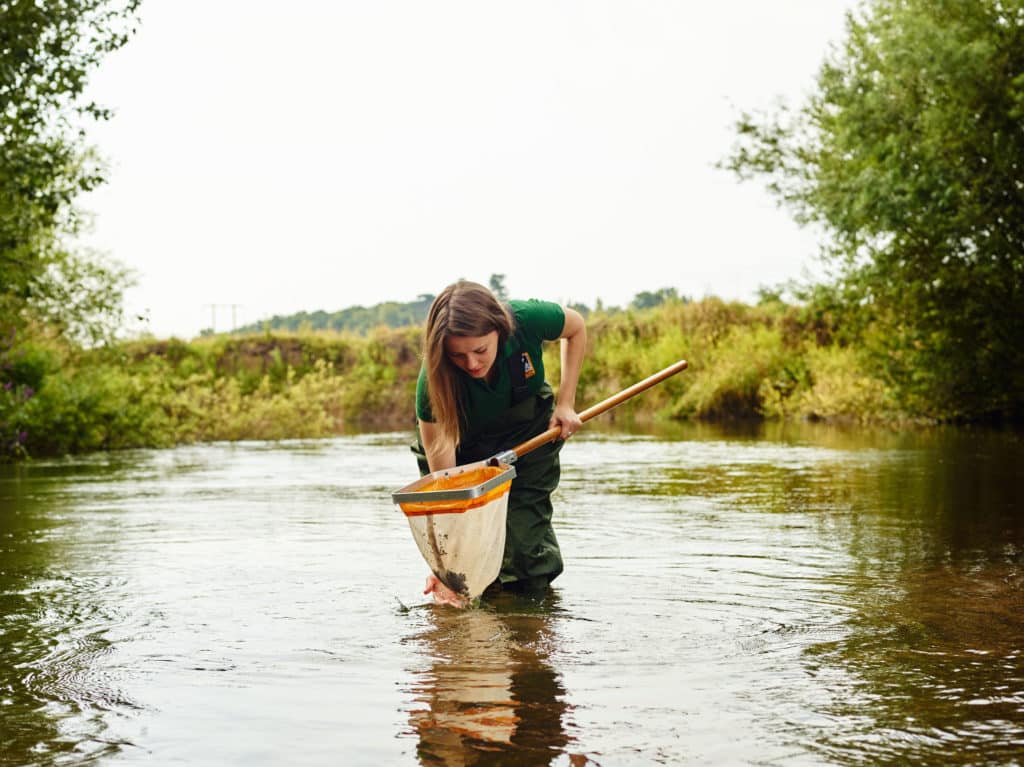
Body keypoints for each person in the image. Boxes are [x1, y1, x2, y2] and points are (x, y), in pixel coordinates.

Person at [412, 280, 586, 607]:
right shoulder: (431, 387)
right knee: (470, 560)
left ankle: (529, 629)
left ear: (499, 329)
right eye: (458, 356)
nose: (473, 364)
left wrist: (566, 403)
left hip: (528, 433)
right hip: (461, 449)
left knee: (527, 555)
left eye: (481, 350)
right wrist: (448, 566)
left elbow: (575, 328)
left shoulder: (527, 318)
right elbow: (449, 493)